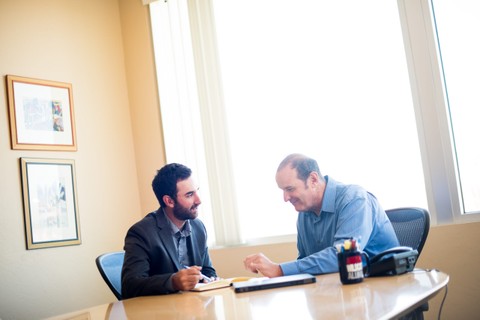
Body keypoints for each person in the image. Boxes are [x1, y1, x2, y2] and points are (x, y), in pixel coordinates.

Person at [244, 153, 399, 278]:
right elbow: (305, 263)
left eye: (290, 189)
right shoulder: (304, 214)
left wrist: (279, 270)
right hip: (341, 295)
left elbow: (342, 257)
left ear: (313, 179)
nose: (285, 198)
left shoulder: (355, 199)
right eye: (283, 190)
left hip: (382, 293)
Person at [122, 163, 217, 298]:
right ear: (169, 201)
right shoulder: (141, 232)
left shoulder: (198, 227)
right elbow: (130, 287)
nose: (199, 200)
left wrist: (211, 279)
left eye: (197, 191)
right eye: (190, 194)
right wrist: (173, 281)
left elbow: (208, 271)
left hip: (194, 308)